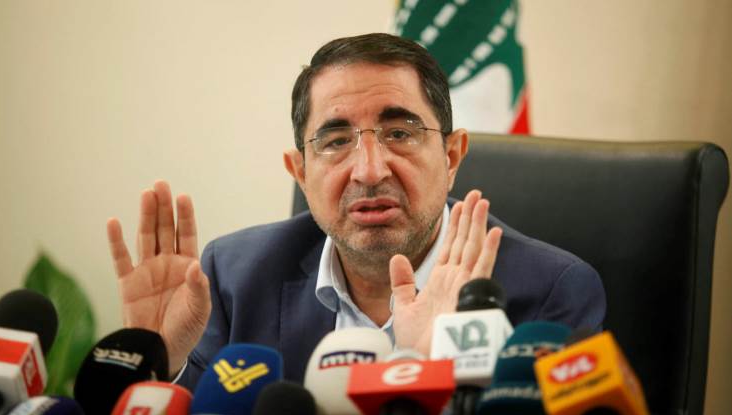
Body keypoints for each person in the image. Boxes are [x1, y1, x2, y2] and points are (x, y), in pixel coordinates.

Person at [105, 33, 605, 388]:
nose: (368, 170)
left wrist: (429, 368)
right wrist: (157, 365)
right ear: (300, 171)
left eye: (400, 133)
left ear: (452, 157)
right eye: (336, 141)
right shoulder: (234, 278)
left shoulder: (550, 292)